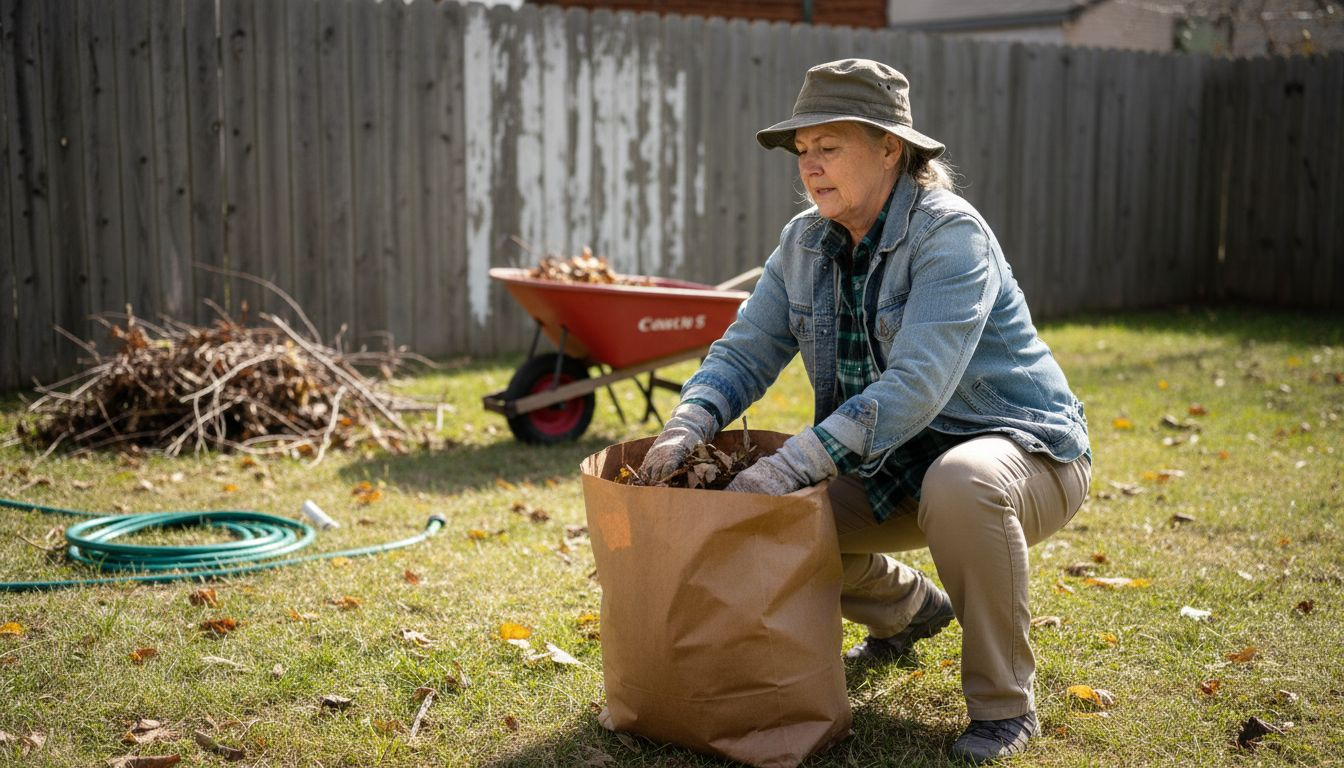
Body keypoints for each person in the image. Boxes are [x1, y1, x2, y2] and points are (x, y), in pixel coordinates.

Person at [639, 59, 1091, 764]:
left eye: (830, 146)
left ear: (891, 147)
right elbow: (745, 350)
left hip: (1022, 457)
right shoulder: (804, 242)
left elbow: (916, 385)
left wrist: (791, 464)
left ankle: (1005, 708)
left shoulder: (951, 236)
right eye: (803, 151)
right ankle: (909, 610)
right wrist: (686, 424)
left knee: (959, 481)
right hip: (889, 463)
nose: (810, 167)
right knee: (756, 519)